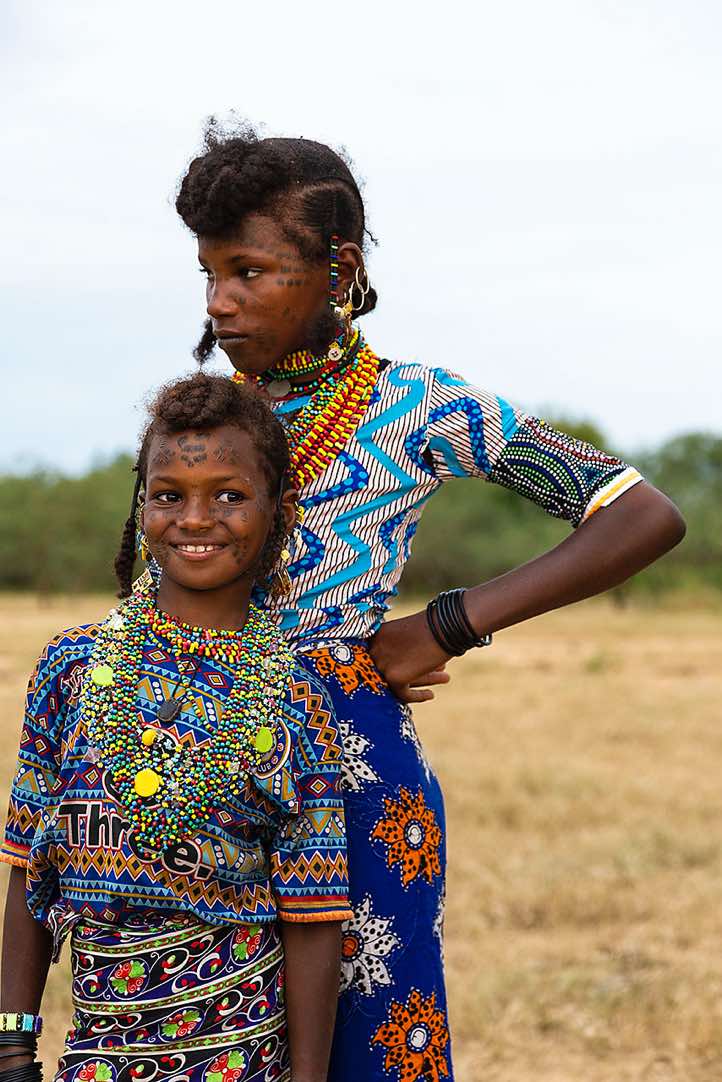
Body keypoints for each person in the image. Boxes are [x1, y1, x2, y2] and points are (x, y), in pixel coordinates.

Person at [174, 123, 686, 1082]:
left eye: (248, 271)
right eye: (207, 274)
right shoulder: (202, 420)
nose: (220, 302)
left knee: (370, 1045)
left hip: (354, 767)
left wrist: (443, 625)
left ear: (339, 268)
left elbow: (639, 516)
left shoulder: (421, 406)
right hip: (193, 759)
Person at [0, 373, 352, 1082]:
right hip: (98, 1054)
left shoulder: (295, 696)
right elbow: (28, 870)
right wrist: (11, 1044)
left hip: (239, 1055)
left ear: (278, 512)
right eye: (169, 496)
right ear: (142, 505)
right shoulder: (72, 666)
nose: (196, 518)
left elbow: (314, 916)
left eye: (229, 495)